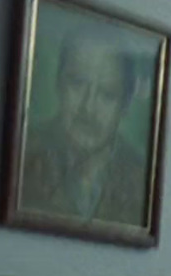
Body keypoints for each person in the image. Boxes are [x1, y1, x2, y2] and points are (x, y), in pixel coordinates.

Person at [19, 29, 151, 227]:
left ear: (124, 106)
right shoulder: (22, 152)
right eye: (77, 84)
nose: (88, 108)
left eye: (107, 94)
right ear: (59, 84)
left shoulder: (143, 180)